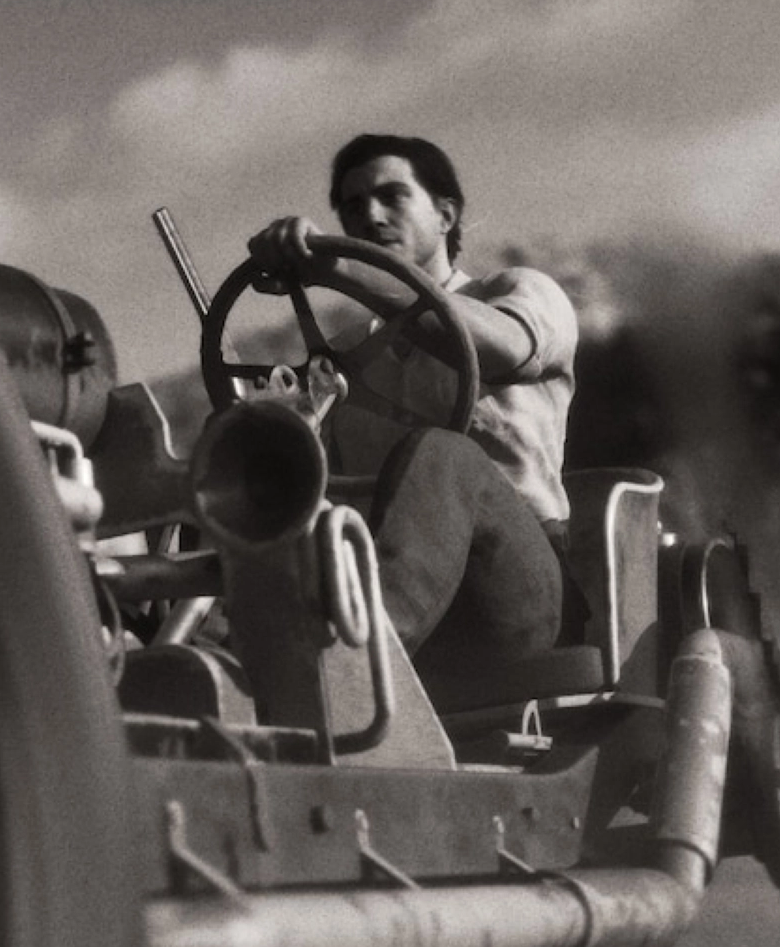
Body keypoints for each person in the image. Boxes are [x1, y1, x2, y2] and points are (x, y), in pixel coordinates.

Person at [246, 134, 578, 677]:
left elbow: (500, 350)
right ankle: (206, 663)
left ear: (446, 214)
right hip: (390, 585)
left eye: (391, 196)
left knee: (443, 454)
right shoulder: (345, 363)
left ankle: (351, 665)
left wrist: (342, 270)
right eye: (352, 208)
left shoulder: (518, 291)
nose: (370, 216)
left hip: (520, 592)